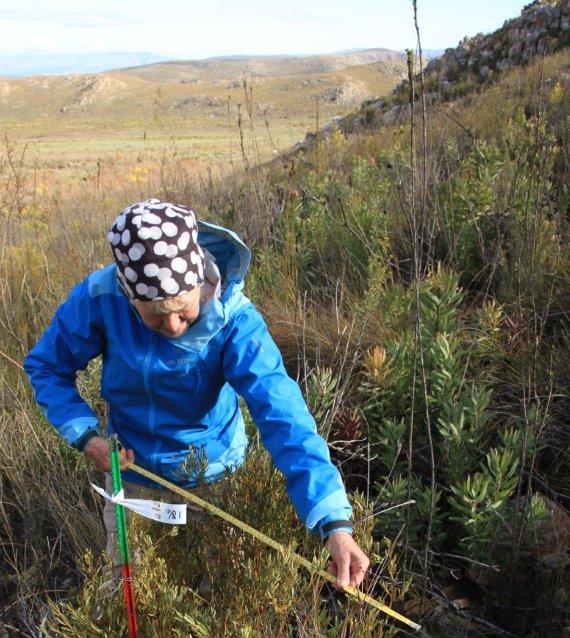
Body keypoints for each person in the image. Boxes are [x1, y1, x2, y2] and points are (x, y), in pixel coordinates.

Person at [24, 198, 369, 589]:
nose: (173, 326)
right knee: (130, 592)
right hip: (133, 479)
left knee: (220, 597)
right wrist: (87, 438)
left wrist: (334, 523)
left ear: (199, 282)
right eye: (155, 316)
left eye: (183, 309)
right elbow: (47, 367)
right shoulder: (101, 299)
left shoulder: (234, 319)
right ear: (129, 296)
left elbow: (284, 415)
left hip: (216, 480)